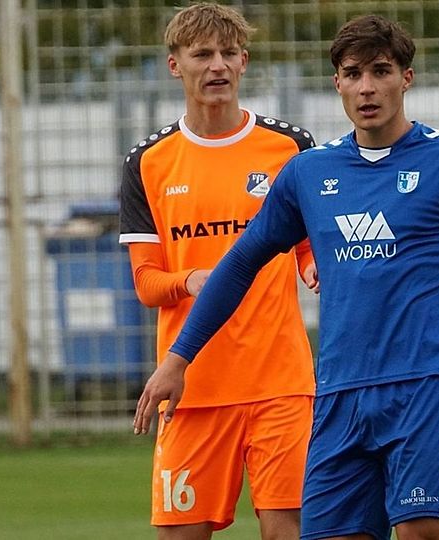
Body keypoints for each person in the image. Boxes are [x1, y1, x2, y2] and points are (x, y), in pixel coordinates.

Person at [134, 13, 439, 540]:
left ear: (405, 78)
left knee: (423, 533)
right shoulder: (309, 173)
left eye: (381, 71)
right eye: (353, 73)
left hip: (423, 390)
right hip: (338, 400)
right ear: (336, 82)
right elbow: (239, 266)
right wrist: (179, 359)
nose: (367, 87)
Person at [119, 3, 318, 539]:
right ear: (174, 65)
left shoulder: (290, 148)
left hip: (281, 383)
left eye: (228, 53)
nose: (217, 66)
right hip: (193, 386)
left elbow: (307, 247)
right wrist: (189, 280)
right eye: (202, 54)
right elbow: (145, 282)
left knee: (292, 529)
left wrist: (318, 268)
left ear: (245, 62)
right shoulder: (148, 162)